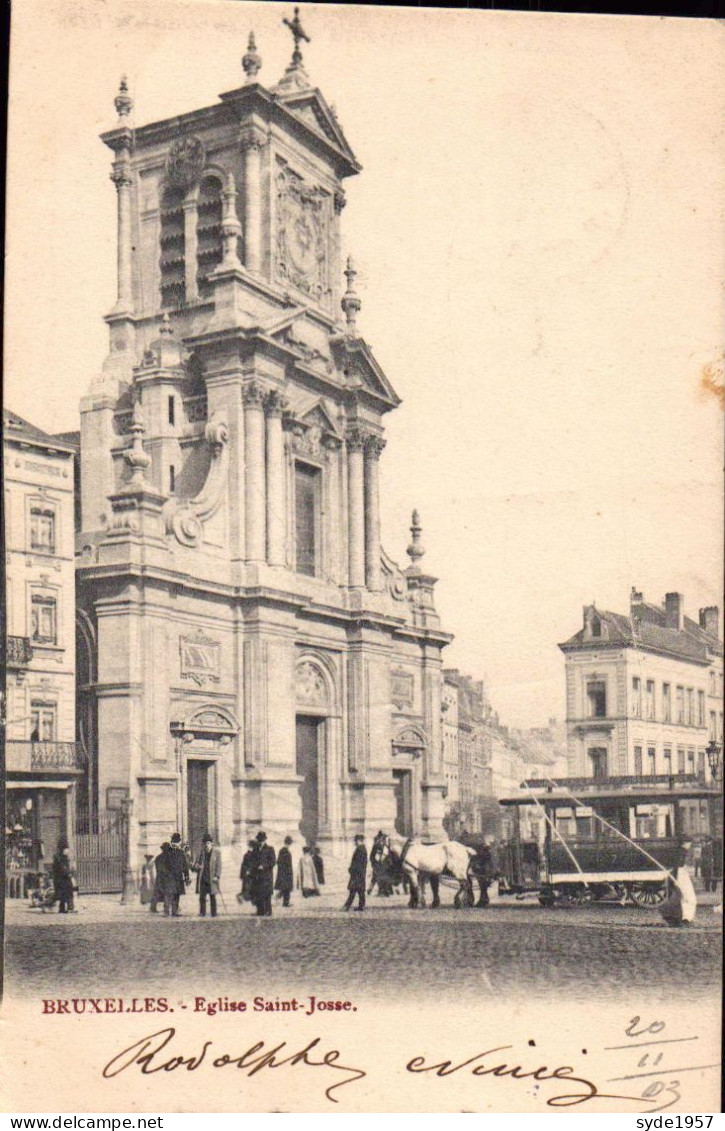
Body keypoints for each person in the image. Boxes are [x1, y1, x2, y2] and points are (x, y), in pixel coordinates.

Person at [660, 844, 697, 928]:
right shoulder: (681, 853)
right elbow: (679, 866)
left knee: (677, 896)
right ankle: (685, 919)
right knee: (688, 897)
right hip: (679, 874)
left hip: (677, 874)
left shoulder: (678, 851)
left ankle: (671, 917)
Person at [194, 833, 222, 917]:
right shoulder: (201, 853)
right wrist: (197, 866)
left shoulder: (217, 853)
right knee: (202, 896)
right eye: (205, 843)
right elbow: (195, 865)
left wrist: (217, 876)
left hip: (212, 877)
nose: (206, 845)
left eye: (208, 843)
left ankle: (214, 912)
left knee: (212, 895)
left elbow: (219, 866)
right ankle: (202, 912)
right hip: (203, 877)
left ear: (211, 844)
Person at [251, 831, 276, 917]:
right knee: (258, 893)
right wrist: (254, 867)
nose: (260, 842)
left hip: (266, 875)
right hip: (257, 875)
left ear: (265, 840)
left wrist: (264, 866)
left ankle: (268, 911)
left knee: (267, 893)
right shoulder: (255, 849)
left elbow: (273, 862)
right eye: (259, 840)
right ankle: (260, 911)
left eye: (262, 840)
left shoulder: (270, 849)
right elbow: (252, 861)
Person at [344, 834, 367, 911]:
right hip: (360, 873)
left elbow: (357, 863)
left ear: (359, 841)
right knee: (360, 890)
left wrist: (351, 869)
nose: (355, 842)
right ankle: (361, 906)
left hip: (357, 873)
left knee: (353, 889)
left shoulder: (360, 849)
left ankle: (347, 906)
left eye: (356, 841)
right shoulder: (363, 849)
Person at [169, 831, 190, 916]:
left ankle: (175, 910)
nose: (175, 844)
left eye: (176, 842)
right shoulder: (168, 852)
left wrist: (187, 876)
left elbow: (185, 866)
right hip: (170, 877)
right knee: (172, 893)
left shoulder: (181, 853)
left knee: (177, 894)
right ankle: (173, 910)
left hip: (178, 877)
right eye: (174, 842)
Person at [51, 839, 75, 913]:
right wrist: (67, 873)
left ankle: (69, 907)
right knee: (63, 892)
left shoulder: (64, 857)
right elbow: (61, 868)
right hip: (60, 878)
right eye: (66, 848)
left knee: (68, 891)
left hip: (65, 877)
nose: (67, 850)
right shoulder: (58, 857)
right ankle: (64, 908)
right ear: (62, 849)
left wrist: (69, 872)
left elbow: (66, 867)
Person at [154, 842, 176, 916]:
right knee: (170, 894)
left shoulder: (158, 858)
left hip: (160, 878)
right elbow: (172, 867)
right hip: (168, 878)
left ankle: (168, 911)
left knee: (164, 894)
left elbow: (157, 868)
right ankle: (170, 911)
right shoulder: (170, 857)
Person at [275, 836, 294, 907]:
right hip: (285, 872)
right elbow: (279, 862)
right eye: (288, 843)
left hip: (285, 872)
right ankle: (284, 902)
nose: (289, 845)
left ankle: (285, 902)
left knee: (286, 888)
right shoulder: (284, 851)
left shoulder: (285, 851)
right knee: (286, 888)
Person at [239, 840, 256, 904]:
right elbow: (244, 865)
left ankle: (250, 899)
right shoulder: (246, 855)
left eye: (250, 846)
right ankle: (244, 897)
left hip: (252, 874)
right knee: (247, 887)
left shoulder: (254, 855)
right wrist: (246, 871)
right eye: (249, 846)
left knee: (251, 887)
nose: (249, 848)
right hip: (248, 874)